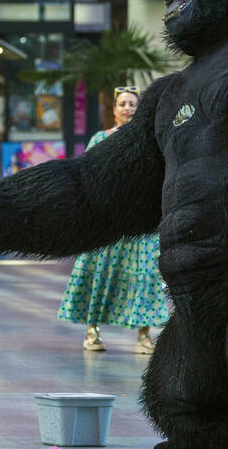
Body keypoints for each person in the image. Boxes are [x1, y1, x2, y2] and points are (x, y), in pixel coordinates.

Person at [57, 87, 169, 354]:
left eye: (132, 104)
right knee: (97, 273)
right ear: (115, 109)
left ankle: (144, 336)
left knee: (145, 278)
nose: (128, 108)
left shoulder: (152, 141)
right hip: (107, 222)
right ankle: (92, 332)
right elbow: (86, 175)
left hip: (140, 224)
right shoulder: (100, 138)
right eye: (123, 104)